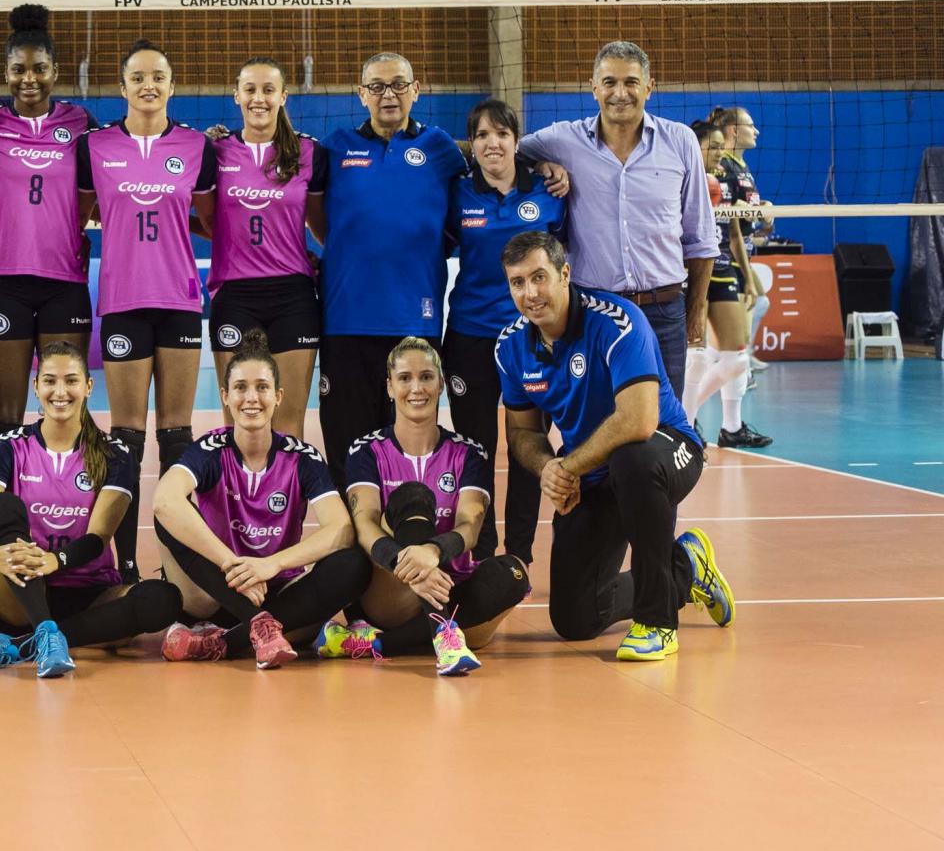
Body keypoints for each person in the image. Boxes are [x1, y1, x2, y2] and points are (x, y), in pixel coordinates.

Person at [496, 231, 735, 661]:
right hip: (592, 471)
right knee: (576, 619)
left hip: (667, 446)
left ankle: (658, 623)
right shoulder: (511, 347)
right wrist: (548, 468)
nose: (530, 293)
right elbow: (523, 433)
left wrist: (568, 467)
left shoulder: (616, 320)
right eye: (518, 282)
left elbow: (639, 420)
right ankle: (686, 566)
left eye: (539, 277)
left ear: (565, 274)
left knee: (633, 459)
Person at [76, 40, 216, 580]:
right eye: (138, 77)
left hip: (179, 300)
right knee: (127, 439)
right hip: (123, 302)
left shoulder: (196, 146)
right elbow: (80, 210)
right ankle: (128, 563)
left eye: (158, 76)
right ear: (123, 86)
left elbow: (209, 218)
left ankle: (182, 562)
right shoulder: (97, 146)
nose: (148, 86)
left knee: (177, 436)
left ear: (172, 85)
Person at [0, 343, 182, 678]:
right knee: (2, 506)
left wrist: (55, 561)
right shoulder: (8, 447)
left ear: (89, 387)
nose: (60, 392)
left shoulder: (115, 454)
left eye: (71, 381)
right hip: (17, 588)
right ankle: (45, 630)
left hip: (87, 591)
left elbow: (98, 537)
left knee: (163, 599)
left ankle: (24, 645)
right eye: (49, 381)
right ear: (36, 387)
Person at [152, 332, 370, 668]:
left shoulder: (302, 458)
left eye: (262, 387)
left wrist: (272, 564)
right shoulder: (212, 450)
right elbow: (165, 500)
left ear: (279, 396)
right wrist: (231, 564)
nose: (251, 397)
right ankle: (259, 626)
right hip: (216, 591)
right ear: (225, 395)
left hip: (277, 592)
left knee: (353, 564)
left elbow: (341, 528)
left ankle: (222, 642)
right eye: (240, 387)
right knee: (167, 515)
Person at [0, 5, 99, 552]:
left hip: (64, 280)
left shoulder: (81, 123)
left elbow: (103, 187)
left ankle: (78, 531)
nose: (29, 78)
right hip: (4, 281)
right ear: (6, 72)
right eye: (19, 69)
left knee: (71, 408)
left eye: (39, 68)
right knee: (4, 416)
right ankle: (5, 534)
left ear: (54, 69)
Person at [519, 41, 719, 401]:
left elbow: (701, 238)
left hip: (663, 310)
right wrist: (541, 166)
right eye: (609, 82)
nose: (620, 93)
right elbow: (505, 153)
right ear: (593, 88)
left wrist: (695, 312)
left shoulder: (681, 141)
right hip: (594, 311)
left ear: (649, 87)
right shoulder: (562, 140)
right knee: (593, 426)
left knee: (661, 431)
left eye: (630, 82)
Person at [314, 53, 467, 485]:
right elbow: (313, 213)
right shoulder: (334, 148)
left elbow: (495, 165)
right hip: (346, 321)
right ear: (361, 94)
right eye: (377, 86)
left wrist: (545, 166)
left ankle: (410, 536)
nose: (389, 95)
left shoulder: (440, 149)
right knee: (346, 446)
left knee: (411, 445)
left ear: (416, 90)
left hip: (413, 322)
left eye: (399, 84)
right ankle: (351, 545)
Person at [341, 339, 532, 675]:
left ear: (441, 383)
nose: (417, 388)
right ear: (389, 387)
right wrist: (410, 565)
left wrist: (433, 552)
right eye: (404, 378)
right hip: (390, 589)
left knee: (515, 572)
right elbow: (365, 523)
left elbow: (470, 526)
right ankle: (444, 634)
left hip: (450, 588)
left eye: (427, 377)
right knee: (413, 495)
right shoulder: (367, 451)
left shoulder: (469, 453)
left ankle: (381, 642)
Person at [443, 97, 567, 563]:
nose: (492, 143)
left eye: (501, 134)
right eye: (481, 135)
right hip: (470, 335)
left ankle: (517, 555)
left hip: (533, 340)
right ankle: (481, 550)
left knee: (526, 447)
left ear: (517, 141)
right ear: (471, 145)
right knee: (474, 449)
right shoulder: (458, 192)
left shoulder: (549, 192)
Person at [198, 56, 325, 436]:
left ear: (283, 96)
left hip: (293, 295)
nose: (259, 98)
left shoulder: (308, 153)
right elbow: (208, 222)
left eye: (268, 90)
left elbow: (321, 226)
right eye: (250, 89)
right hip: (235, 294)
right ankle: (237, 495)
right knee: (240, 423)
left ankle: (288, 496)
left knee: (288, 425)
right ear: (236, 95)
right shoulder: (215, 152)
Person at [695, 108, 772, 448]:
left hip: (729, 263)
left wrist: (763, 214)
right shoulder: (715, 171)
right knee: (702, 355)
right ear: (730, 130)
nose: (756, 130)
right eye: (749, 125)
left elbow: (738, 226)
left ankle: (729, 425)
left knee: (735, 355)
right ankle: (685, 418)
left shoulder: (738, 169)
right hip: (698, 266)